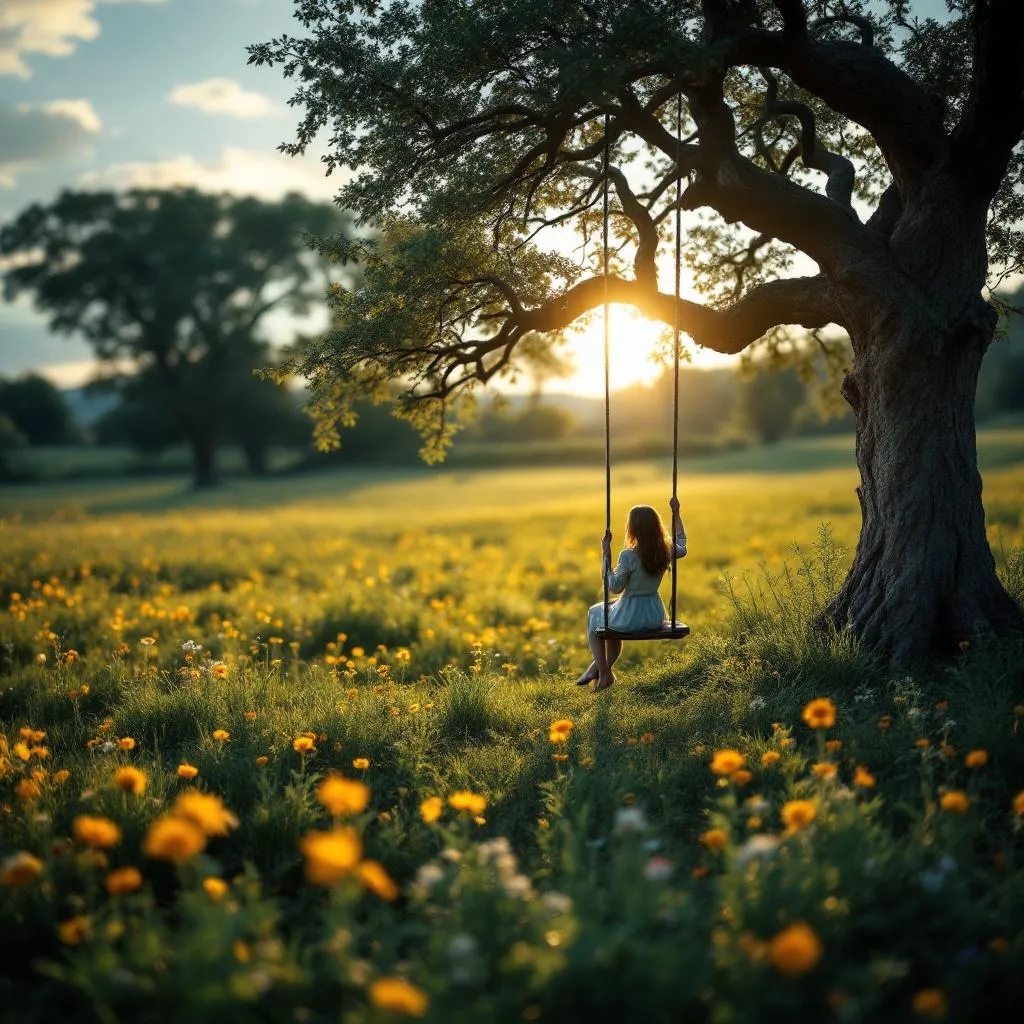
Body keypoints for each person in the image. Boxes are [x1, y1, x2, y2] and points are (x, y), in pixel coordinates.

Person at [576, 497, 687, 692]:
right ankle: (601, 670)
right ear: (656, 527)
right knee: (607, 616)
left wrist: (605, 555)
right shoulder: (666, 549)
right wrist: (676, 513)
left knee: (594, 613)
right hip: (654, 615)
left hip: (630, 616)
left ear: (633, 529)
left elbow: (615, 588)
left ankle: (603, 672)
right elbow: (682, 544)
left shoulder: (628, 555)